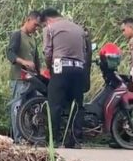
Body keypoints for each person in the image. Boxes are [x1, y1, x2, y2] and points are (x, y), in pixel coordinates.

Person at [41, 8, 87, 148]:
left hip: (60, 67)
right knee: (77, 105)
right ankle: (74, 140)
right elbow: (84, 52)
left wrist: (50, 68)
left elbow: (48, 52)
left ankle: (53, 140)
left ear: (48, 20)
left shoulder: (50, 28)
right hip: (79, 69)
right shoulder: (79, 29)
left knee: (55, 104)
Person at [6, 11, 41, 143]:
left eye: (38, 26)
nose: (36, 28)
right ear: (28, 20)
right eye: (35, 24)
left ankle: (31, 137)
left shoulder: (33, 38)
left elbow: (36, 59)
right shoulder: (17, 35)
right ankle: (18, 138)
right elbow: (10, 54)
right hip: (18, 78)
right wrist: (24, 62)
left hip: (32, 79)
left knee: (34, 108)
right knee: (17, 108)